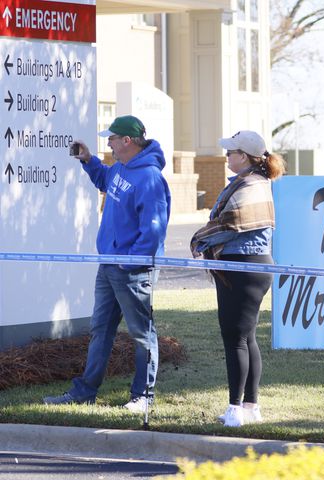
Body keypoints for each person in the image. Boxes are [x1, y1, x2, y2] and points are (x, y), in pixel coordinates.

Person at [43, 115, 171, 412]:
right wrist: (88, 161)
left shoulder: (149, 177)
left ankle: (143, 397)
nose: (109, 143)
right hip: (109, 266)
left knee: (142, 335)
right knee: (100, 330)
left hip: (132, 271)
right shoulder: (121, 169)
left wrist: (130, 264)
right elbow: (104, 179)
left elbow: (153, 230)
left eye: (112, 139)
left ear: (127, 141)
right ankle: (85, 392)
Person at [190, 130, 284, 427]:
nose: (227, 156)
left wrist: (199, 239)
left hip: (243, 266)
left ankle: (235, 410)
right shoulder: (253, 182)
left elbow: (231, 224)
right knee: (245, 337)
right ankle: (250, 407)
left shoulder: (250, 185)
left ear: (244, 156)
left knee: (234, 339)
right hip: (248, 266)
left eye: (231, 152)